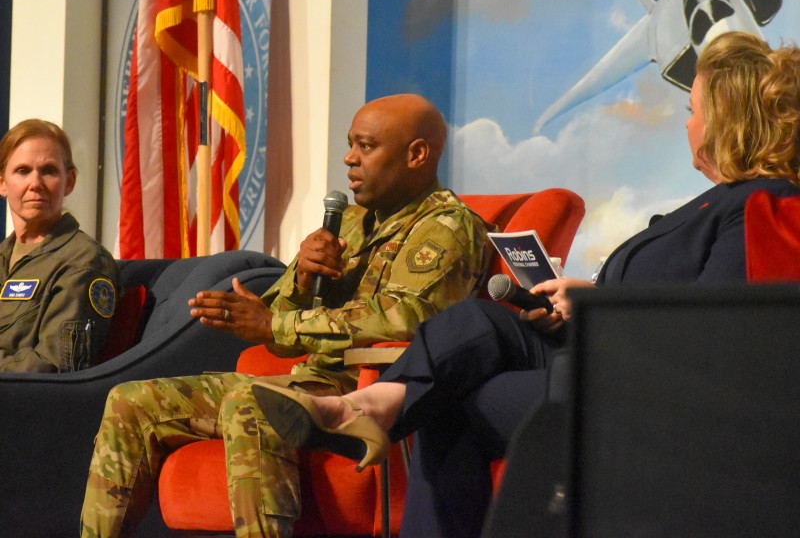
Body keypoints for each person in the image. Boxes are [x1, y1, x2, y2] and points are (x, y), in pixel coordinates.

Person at [252, 31, 800, 538]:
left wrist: (602, 305)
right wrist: (581, 299)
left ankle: (374, 406)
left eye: (692, 110)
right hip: (589, 348)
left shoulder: (765, 203)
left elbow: (716, 325)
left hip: (639, 382)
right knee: (477, 319)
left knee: (445, 401)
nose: (686, 124)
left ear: (728, 121)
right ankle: (378, 400)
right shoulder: (712, 203)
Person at [79, 93, 493, 537]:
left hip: (375, 392)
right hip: (308, 376)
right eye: (350, 144)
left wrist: (276, 324)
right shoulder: (349, 223)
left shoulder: (448, 226)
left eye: (366, 147)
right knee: (130, 400)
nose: (349, 159)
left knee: (253, 403)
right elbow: (275, 334)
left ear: (416, 154)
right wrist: (300, 283)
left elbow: (403, 319)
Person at [0, 119, 119, 373]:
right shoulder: (3, 256)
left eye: (49, 171)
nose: (35, 183)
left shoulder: (83, 262)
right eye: (22, 171)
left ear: (69, 181)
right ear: (2, 183)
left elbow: (53, 366)